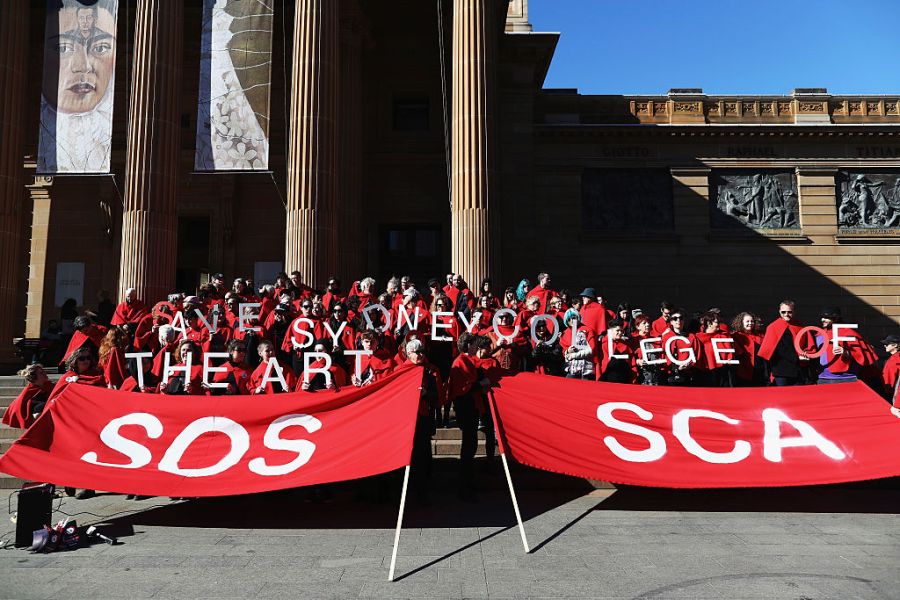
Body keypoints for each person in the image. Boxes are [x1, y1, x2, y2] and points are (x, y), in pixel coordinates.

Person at [53, 348, 106, 500]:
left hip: (91, 422)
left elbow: (102, 392)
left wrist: (81, 382)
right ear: (74, 361)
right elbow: (56, 398)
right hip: (72, 423)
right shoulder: (68, 377)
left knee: (89, 456)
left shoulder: (96, 375)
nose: (86, 361)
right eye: (82, 358)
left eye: (88, 357)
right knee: (72, 455)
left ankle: (88, 487)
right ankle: (70, 481)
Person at [445, 333, 489, 501]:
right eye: (473, 344)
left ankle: (468, 482)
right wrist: (480, 384)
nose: (476, 347)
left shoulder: (466, 360)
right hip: (466, 407)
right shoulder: (460, 362)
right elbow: (463, 387)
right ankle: (465, 485)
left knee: (470, 446)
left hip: (470, 406)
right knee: (468, 446)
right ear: (467, 345)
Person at [403, 339, 442, 504]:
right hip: (406, 421)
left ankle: (422, 490)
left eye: (422, 352)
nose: (420, 355)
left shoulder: (430, 371)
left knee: (423, 454)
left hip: (423, 417)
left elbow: (437, 397)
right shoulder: (401, 370)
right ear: (408, 353)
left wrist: (426, 393)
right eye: (416, 352)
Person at [813, 307, 878, 385]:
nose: (822, 320)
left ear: (836, 318)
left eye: (826, 317)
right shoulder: (819, 335)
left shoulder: (848, 333)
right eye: (822, 317)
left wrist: (845, 352)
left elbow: (863, 355)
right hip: (823, 378)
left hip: (845, 378)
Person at [758, 300, 811, 386]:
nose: (786, 314)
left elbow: (806, 344)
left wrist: (806, 353)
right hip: (780, 370)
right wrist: (796, 357)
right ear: (779, 311)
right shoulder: (773, 327)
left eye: (789, 312)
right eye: (783, 312)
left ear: (794, 311)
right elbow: (776, 349)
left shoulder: (799, 325)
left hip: (797, 369)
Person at [2, 365, 53, 429]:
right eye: (41, 373)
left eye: (44, 372)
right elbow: (20, 406)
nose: (45, 374)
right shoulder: (29, 390)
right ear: (34, 377)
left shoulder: (49, 385)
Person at [694, 311, 735, 387]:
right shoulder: (698, 337)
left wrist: (729, 358)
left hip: (721, 370)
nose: (719, 324)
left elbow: (729, 350)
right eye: (717, 322)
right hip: (704, 371)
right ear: (709, 323)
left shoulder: (723, 335)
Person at [660, 309, 699, 386]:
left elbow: (697, 354)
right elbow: (662, 354)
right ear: (671, 322)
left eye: (681, 318)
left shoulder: (691, 337)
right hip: (670, 374)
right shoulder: (666, 337)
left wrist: (689, 365)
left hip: (687, 374)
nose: (678, 321)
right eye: (675, 319)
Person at [560, 309, 597, 380]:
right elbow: (564, 353)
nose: (571, 320)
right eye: (568, 319)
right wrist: (568, 351)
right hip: (571, 369)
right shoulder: (565, 333)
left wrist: (573, 355)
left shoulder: (587, 330)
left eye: (573, 317)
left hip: (586, 370)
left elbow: (592, 349)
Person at [731, 311, 765, 386]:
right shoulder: (736, 336)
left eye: (752, 321)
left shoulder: (760, 336)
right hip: (742, 370)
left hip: (759, 370)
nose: (750, 323)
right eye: (747, 321)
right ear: (741, 323)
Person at [599, 318, 636, 383]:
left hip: (623, 375)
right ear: (610, 331)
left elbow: (631, 360)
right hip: (607, 374)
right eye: (617, 331)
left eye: (622, 331)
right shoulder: (602, 343)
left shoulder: (625, 344)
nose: (620, 333)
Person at [881, 334, 900, 402]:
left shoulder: (896, 359)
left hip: (893, 392)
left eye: (887, 344)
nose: (885, 346)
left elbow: (891, 376)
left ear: (895, 345)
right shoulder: (894, 357)